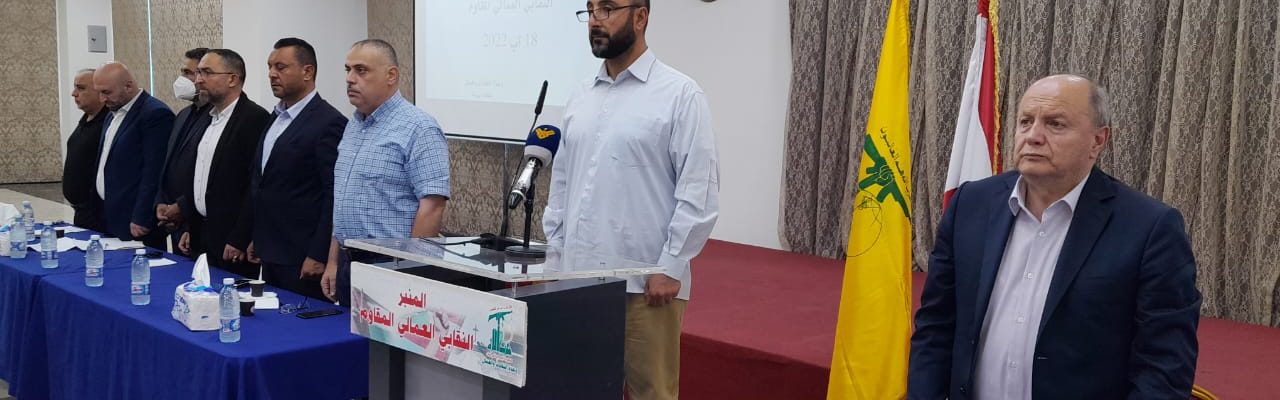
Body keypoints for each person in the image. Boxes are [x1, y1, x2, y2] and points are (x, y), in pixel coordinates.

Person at [908, 75, 1201, 399]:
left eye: (1055, 124)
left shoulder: (1150, 228)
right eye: (1025, 122)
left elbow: (1164, 366)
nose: (1033, 136)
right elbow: (935, 326)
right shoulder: (970, 205)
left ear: (1098, 141)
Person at [544, 2, 720, 399]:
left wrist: (671, 265)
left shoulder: (680, 94)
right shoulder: (581, 96)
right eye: (590, 10)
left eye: (607, 9)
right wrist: (555, 258)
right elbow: (562, 183)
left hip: (646, 285)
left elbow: (700, 189)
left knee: (651, 394)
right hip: (578, 282)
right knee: (578, 389)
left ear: (640, 17)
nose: (595, 20)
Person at [321, 39, 450, 307]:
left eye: (361, 70)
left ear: (391, 75)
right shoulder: (354, 125)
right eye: (347, 70)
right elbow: (343, 201)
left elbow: (432, 206)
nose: (350, 79)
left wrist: (411, 272)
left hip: (391, 265)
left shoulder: (420, 128)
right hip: (348, 262)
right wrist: (333, 260)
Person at [232, 37, 346, 300]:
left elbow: (333, 194)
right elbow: (264, 183)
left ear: (307, 71)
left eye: (280, 67)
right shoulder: (276, 117)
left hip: (303, 256)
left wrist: (319, 254)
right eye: (270, 67)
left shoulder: (328, 122)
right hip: (271, 250)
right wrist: (257, 237)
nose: (272, 74)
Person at [183, 48, 270, 277]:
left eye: (207, 72)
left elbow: (254, 185)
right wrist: (189, 225)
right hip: (200, 233)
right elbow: (199, 175)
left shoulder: (254, 118)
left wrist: (240, 237)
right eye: (198, 72)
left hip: (231, 242)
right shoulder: (206, 117)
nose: (198, 79)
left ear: (232, 79)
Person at [92, 62, 174, 248]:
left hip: (134, 219)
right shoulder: (113, 113)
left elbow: (154, 172)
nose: (102, 99)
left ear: (128, 86)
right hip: (110, 213)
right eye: (99, 92)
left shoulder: (155, 114)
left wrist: (142, 216)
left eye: (106, 92)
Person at [156, 47, 213, 254]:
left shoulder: (216, 118)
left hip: (199, 220)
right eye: (182, 72)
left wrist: (182, 207)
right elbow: (169, 164)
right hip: (175, 220)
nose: (182, 79)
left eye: (188, 73)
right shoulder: (183, 115)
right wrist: (161, 202)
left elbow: (208, 173)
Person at [63, 68, 107, 232]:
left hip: (98, 212)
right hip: (81, 211)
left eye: (81, 88)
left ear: (100, 92)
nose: (74, 93)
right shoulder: (86, 119)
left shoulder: (107, 123)